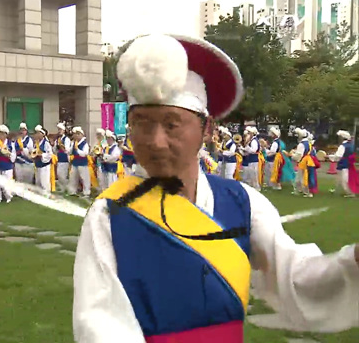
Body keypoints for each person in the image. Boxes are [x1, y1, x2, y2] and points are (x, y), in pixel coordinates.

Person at [72, 33, 359, 342]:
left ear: (207, 129)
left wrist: (353, 260)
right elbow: (100, 325)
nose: (155, 141)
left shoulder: (243, 202)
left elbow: (296, 278)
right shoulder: (110, 212)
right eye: (142, 123)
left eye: (172, 124)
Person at [329, 129, 358, 198]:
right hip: (348, 163)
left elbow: (338, 155)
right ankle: (337, 190)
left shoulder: (343, 146)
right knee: (339, 178)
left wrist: (329, 156)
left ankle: (349, 192)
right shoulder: (350, 145)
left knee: (344, 179)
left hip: (343, 163)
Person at [0, 124, 16, 203]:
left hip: (7, 165)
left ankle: (8, 196)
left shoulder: (10, 143)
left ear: (6, 134)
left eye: (3, 133)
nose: (1, 135)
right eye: (0, 133)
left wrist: (8, 154)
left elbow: (13, 155)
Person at [292, 128, 318, 197]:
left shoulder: (301, 144)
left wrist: (292, 155)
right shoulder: (309, 143)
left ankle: (305, 192)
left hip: (303, 162)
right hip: (308, 161)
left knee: (302, 177)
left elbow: (299, 155)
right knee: (304, 177)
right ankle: (300, 190)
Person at [67, 127, 92, 198]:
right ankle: (72, 190)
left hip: (82, 162)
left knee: (84, 178)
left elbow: (85, 153)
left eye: (77, 134)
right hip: (75, 162)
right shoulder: (74, 143)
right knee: (73, 177)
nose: (75, 136)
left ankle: (86, 192)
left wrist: (77, 150)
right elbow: (70, 151)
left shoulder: (85, 144)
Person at [32, 125, 53, 194]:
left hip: (45, 165)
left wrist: (42, 155)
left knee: (44, 180)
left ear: (42, 134)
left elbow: (50, 154)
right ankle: (39, 193)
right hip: (38, 164)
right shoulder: (36, 143)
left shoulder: (46, 143)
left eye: (38, 133)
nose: (36, 135)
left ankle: (46, 193)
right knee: (38, 180)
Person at [54, 122, 72, 192]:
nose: (59, 131)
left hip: (65, 158)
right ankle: (62, 187)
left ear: (63, 130)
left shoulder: (66, 139)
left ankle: (65, 187)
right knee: (59, 174)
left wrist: (62, 147)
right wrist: (56, 147)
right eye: (58, 130)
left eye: (60, 130)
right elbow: (54, 150)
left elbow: (67, 149)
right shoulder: (57, 139)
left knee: (63, 174)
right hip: (59, 158)